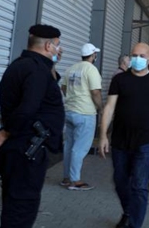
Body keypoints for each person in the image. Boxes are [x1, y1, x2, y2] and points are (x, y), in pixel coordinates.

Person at [0, 24, 65, 228]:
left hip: (19, 149)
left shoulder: (22, 65)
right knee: (21, 209)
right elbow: (28, 108)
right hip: (26, 150)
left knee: (14, 204)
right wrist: (5, 132)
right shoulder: (35, 71)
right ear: (48, 46)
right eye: (57, 45)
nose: (59, 50)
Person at [99, 42, 149, 228]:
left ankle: (134, 224)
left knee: (139, 186)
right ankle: (128, 211)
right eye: (134, 55)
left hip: (145, 141)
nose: (137, 59)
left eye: (142, 56)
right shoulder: (120, 80)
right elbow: (109, 107)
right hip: (120, 141)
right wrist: (103, 135)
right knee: (121, 182)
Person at [60, 42, 102, 191]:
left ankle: (66, 178)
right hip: (85, 113)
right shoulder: (91, 70)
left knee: (69, 146)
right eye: (95, 54)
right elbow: (95, 92)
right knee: (80, 148)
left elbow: (63, 88)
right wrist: (101, 107)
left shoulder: (71, 69)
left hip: (69, 111)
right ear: (93, 55)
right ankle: (75, 181)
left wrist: (72, 98)